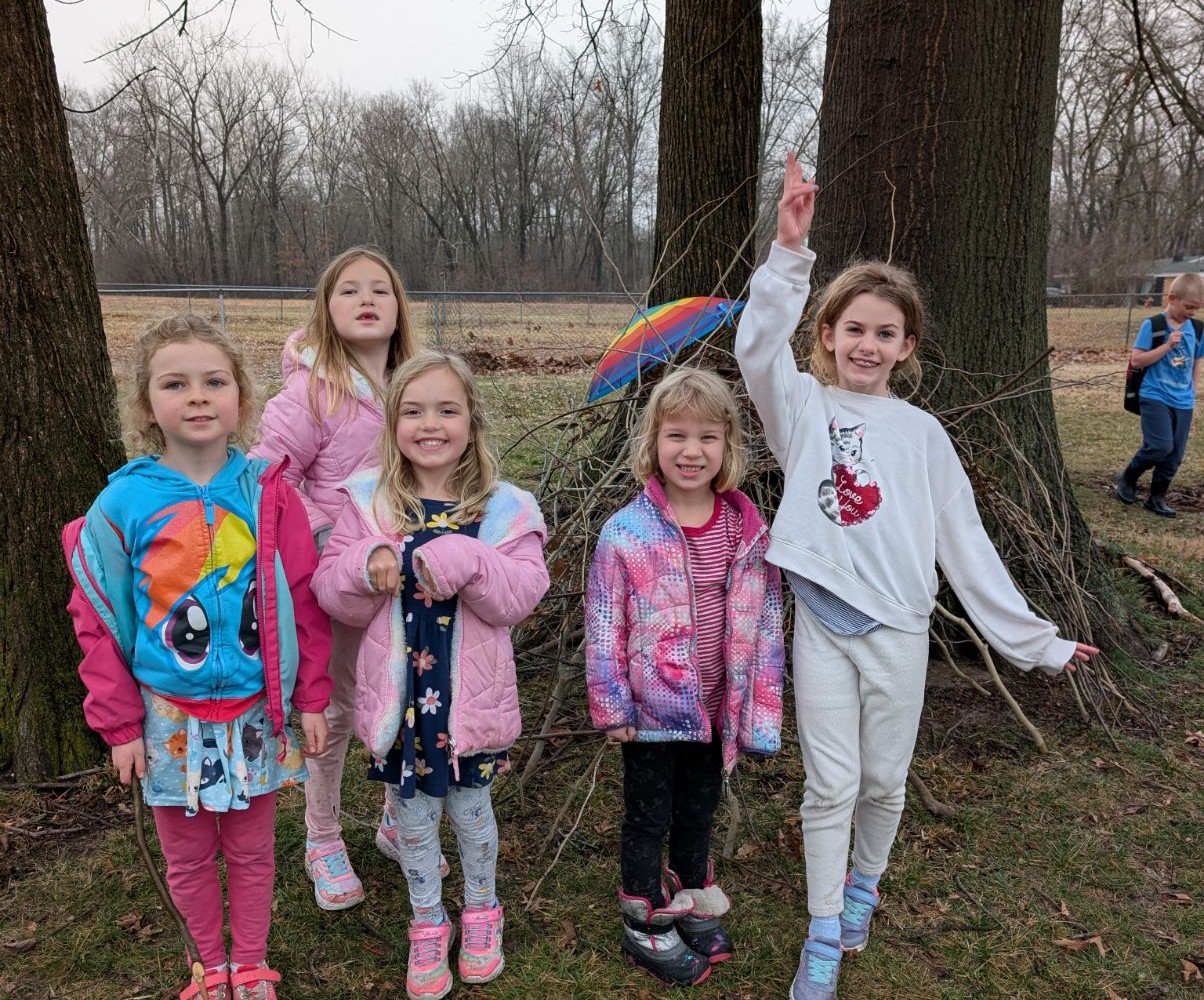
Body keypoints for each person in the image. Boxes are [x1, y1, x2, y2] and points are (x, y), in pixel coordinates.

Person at [735, 154, 1099, 1000]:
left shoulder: (925, 436)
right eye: (853, 328)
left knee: (883, 780)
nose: (868, 344)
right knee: (829, 781)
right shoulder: (802, 409)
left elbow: (965, 543)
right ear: (826, 335)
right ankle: (823, 928)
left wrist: (1034, 643)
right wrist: (790, 250)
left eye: (885, 333)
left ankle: (863, 886)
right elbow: (757, 349)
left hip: (900, 626)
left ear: (907, 347)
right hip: (822, 617)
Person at [62, 315, 333, 1000]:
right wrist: (119, 725)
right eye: (175, 383)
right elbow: (95, 618)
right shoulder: (122, 501)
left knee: (251, 849)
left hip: (255, 714)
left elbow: (304, 601)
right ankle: (209, 966)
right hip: (165, 717)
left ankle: (250, 962)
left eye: (215, 381)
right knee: (186, 857)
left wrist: (311, 698)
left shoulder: (270, 494)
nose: (198, 396)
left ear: (240, 394)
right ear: (148, 405)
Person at [312, 349, 549, 1000]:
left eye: (447, 409)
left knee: (473, 815)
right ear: (392, 426)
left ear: (472, 421)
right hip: (403, 709)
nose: (430, 423)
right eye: (412, 410)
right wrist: (366, 564)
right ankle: (426, 921)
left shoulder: (505, 510)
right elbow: (332, 590)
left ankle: (481, 912)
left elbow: (520, 596)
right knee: (413, 823)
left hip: (468, 711)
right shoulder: (370, 505)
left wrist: (470, 558)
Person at [584, 368, 785, 987]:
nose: (691, 451)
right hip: (650, 713)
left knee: (698, 809)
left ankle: (693, 889)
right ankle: (642, 911)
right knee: (649, 813)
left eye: (707, 437)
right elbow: (603, 622)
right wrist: (611, 705)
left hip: (717, 706)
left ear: (728, 447)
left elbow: (766, 624)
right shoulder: (626, 533)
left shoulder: (748, 532)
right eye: (676, 435)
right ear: (654, 442)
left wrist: (759, 710)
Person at [251, 246, 419, 910]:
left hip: (407, 576)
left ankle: (391, 818)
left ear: (400, 308)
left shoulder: (413, 382)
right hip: (337, 578)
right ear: (325, 309)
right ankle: (322, 836)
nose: (366, 299)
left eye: (381, 288)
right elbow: (271, 481)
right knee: (338, 709)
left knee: (400, 696)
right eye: (348, 291)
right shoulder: (311, 389)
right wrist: (323, 542)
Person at [1113, 272, 1204, 517]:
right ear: (1172, 298)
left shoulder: (1197, 328)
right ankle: (1128, 477)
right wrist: (1167, 346)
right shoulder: (1153, 325)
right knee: (1159, 446)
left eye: (1197, 309)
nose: (1193, 313)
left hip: (1183, 400)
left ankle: (1156, 497)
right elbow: (1138, 359)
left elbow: (1197, 360)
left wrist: (1193, 389)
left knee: (1174, 454)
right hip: (1155, 395)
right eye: (1189, 307)